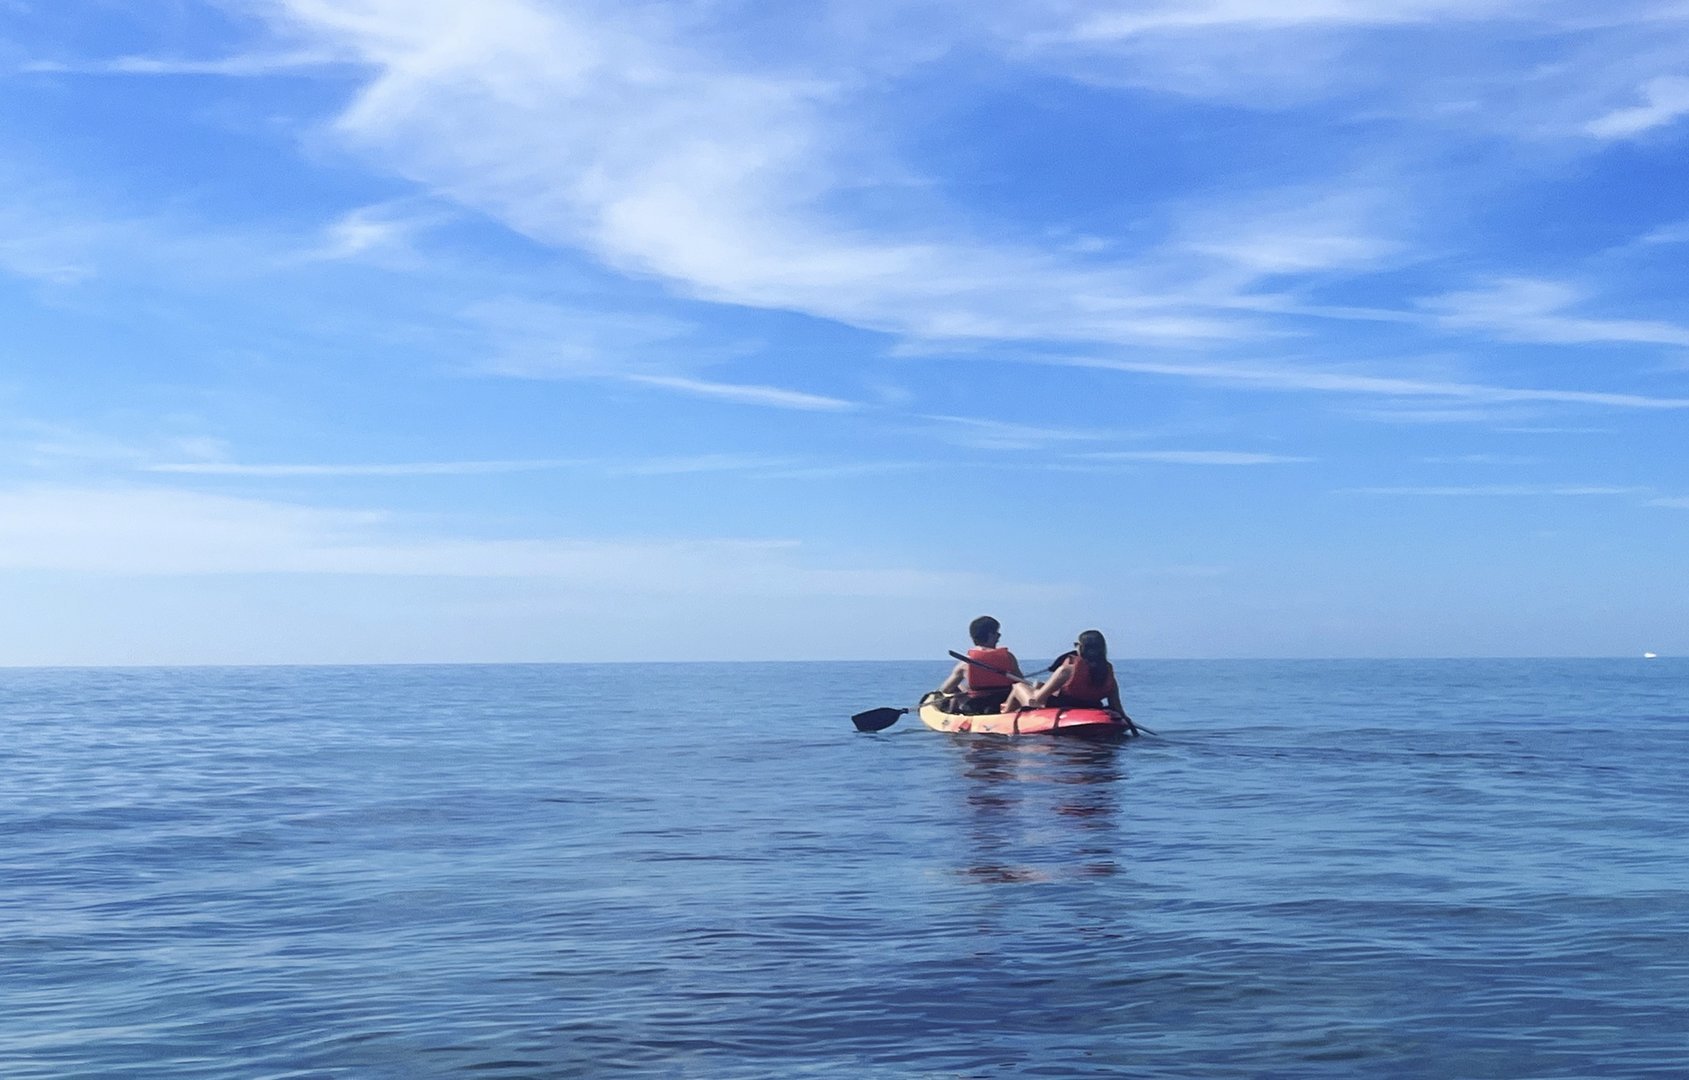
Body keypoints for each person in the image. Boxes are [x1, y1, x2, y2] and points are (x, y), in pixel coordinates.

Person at [1002, 629, 1134, 730]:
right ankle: (1008, 711)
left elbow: (1036, 701)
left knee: (1018, 685)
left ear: (1081, 647)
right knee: (1039, 686)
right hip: (1089, 707)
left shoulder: (1067, 670)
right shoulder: (1107, 672)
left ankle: (1004, 714)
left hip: (1062, 708)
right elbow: (1117, 707)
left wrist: (1034, 690)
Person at [936, 615, 1025, 714]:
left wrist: (965, 692)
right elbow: (1020, 681)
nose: (999, 637)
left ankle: (953, 712)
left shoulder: (965, 664)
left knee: (958, 688)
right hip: (1003, 703)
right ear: (991, 635)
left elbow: (945, 689)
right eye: (997, 634)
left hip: (978, 707)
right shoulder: (1008, 657)